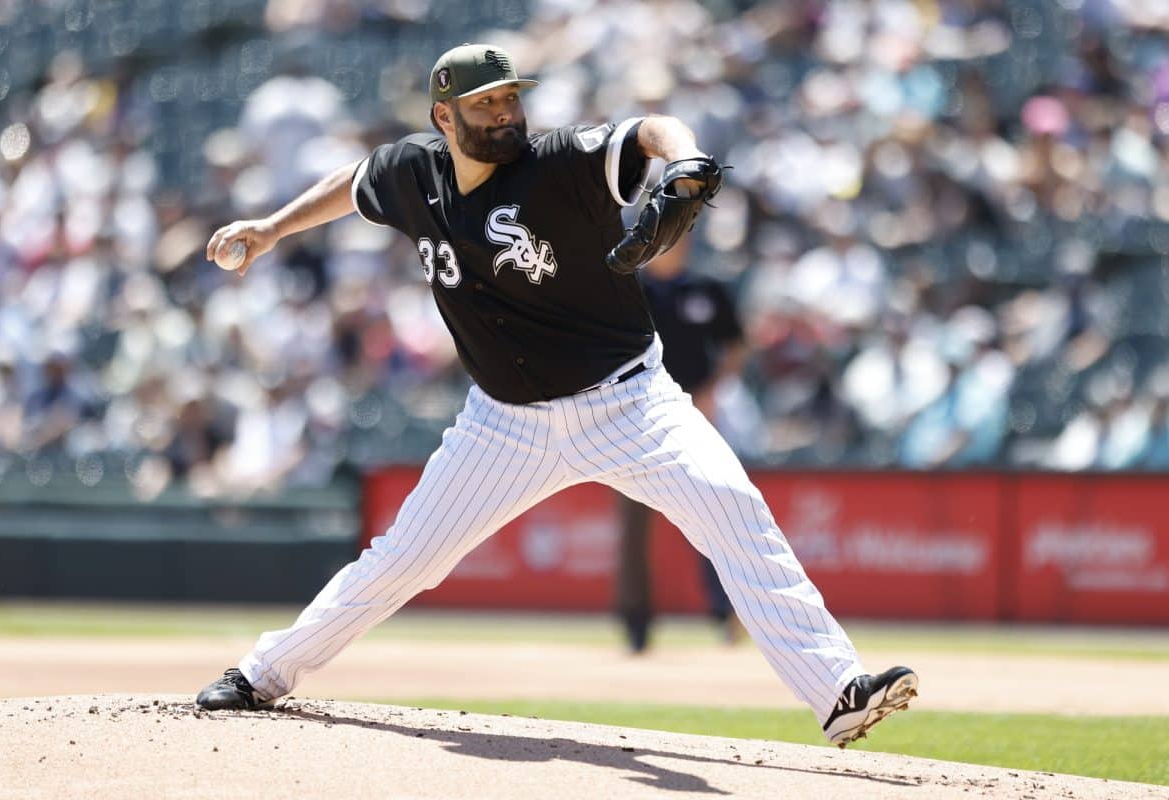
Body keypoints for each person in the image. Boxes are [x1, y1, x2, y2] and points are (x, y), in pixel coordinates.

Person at [194, 43, 917, 748]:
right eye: (488, 104)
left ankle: (837, 692)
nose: (508, 113)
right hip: (502, 423)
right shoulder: (412, 171)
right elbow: (356, 182)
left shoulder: (559, 162)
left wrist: (687, 158)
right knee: (404, 560)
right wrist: (270, 228)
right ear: (445, 118)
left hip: (630, 403)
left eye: (513, 97)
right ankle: (263, 674)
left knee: (733, 511)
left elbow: (648, 131)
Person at [615, 237, 747, 653]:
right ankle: (636, 622)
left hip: (695, 414)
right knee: (634, 524)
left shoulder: (706, 289)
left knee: (713, 510)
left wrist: (713, 389)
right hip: (638, 418)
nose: (676, 246)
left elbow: (736, 343)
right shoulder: (631, 288)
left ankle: (725, 611)